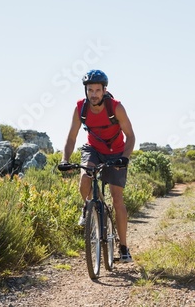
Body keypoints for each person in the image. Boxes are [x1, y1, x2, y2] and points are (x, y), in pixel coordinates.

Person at [60, 69, 136, 262]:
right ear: (86, 90)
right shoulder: (80, 109)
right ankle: (90, 207)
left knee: (117, 198)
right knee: (85, 177)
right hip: (94, 149)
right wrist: (64, 159)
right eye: (90, 90)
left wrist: (124, 158)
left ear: (104, 90)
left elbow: (131, 136)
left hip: (117, 152)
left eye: (97, 90)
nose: (93, 94)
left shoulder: (116, 107)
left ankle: (124, 247)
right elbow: (71, 138)